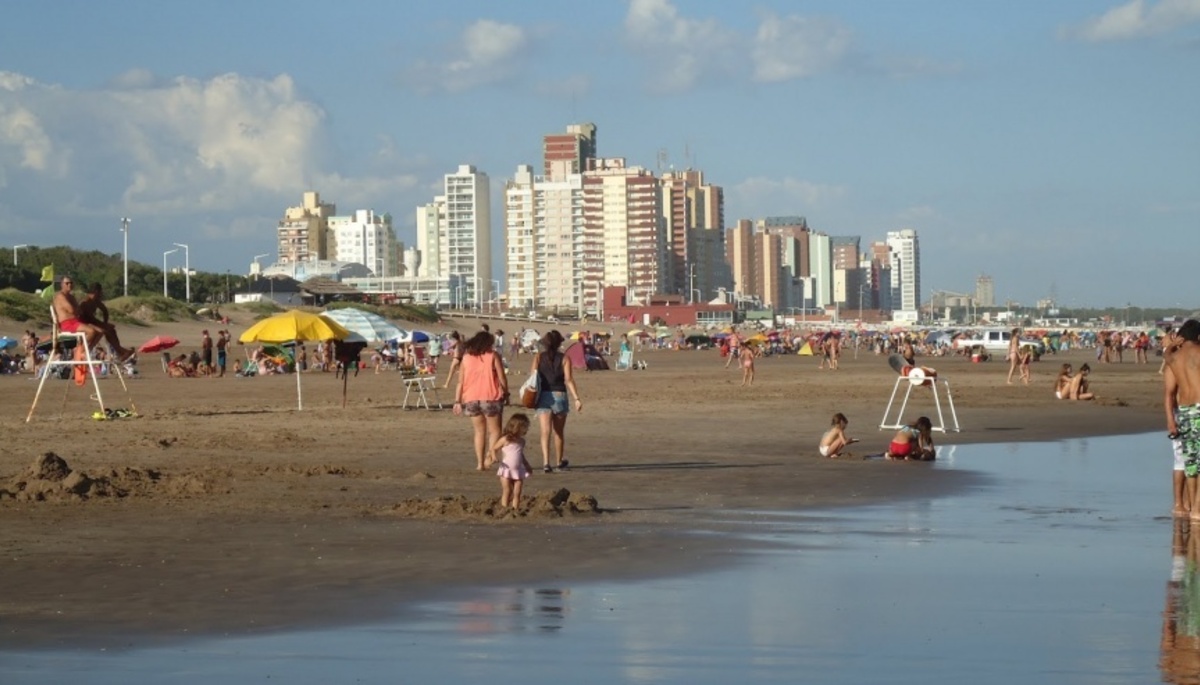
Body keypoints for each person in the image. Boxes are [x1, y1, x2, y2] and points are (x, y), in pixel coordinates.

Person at [453, 331, 508, 471]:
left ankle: (479, 463)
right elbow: (502, 378)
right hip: (491, 396)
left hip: (471, 397)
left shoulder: (466, 358)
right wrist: (506, 393)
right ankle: (489, 457)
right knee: (495, 431)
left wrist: (457, 401)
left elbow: (460, 382)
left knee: (479, 432)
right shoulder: (493, 355)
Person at [531, 330, 583, 473]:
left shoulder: (538, 357)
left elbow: (533, 377)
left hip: (543, 396)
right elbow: (569, 380)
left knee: (544, 431)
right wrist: (576, 398)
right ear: (559, 343)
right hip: (560, 395)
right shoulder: (565, 358)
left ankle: (546, 463)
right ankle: (559, 462)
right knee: (558, 432)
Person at [1165, 320, 1200, 518]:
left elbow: (1166, 356)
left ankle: (1193, 509)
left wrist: (1170, 345)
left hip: (1185, 411)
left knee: (1191, 462)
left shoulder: (1174, 358)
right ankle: (1197, 507)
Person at [492, 413, 533, 508]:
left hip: (518, 470)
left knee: (517, 492)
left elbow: (521, 455)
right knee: (507, 491)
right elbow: (494, 448)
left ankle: (515, 509)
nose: (526, 429)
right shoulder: (505, 439)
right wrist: (494, 457)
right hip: (506, 470)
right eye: (524, 427)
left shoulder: (522, 441)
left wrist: (527, 465)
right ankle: (504, 508)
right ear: (517, 427)